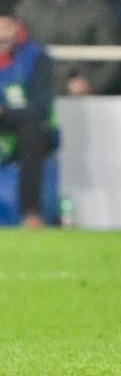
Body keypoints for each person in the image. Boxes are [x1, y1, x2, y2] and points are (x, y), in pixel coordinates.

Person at [13, 0, 119, 96]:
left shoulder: (97, 7)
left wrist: (91, 83)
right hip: (36, 92)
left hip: (86, 95)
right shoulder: (26, 7)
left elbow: (112, 56)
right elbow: (15, 54)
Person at [0, 15, 56, 229]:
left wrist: (5, 112)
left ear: (18, 28)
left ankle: (32, 213)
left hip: (28, 126)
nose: (2, 34)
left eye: (7, 27)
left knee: (33, 132)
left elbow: (40, 106)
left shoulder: (37, 57)